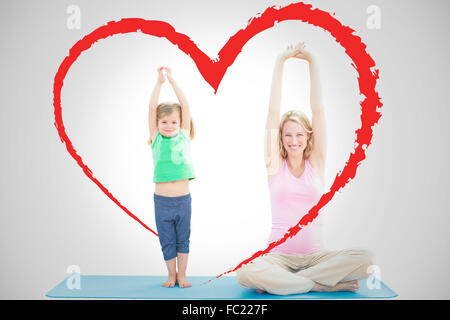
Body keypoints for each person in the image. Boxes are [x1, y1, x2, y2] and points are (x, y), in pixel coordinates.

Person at [236, 42, 375, 295]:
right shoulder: (274, 165)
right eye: (288, 135)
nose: (293, 141)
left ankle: (286, 284)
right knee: (246, 271)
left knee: (367, 258)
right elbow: (272, 111)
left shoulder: (317, 163)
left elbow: (318, 110)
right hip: (277, 257)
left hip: (316, 258)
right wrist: (280, 61)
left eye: (299, 134)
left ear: (308, 136)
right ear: (281, 138)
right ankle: (319, 285)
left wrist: (312, 61)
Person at [148, 66, 195, 288]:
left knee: (182, 239)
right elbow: (150, 108)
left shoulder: (184, 136)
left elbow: (185, 106)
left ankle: (182, 275)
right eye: (164, 122)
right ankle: (171, 275)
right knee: (166, 240)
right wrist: (159, 83)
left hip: (183, 200)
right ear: (157, 124)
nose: (169, 126)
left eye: (173, 122)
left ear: (181, 123)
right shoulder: (156, 138)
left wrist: (173, 80)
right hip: (163, 202)